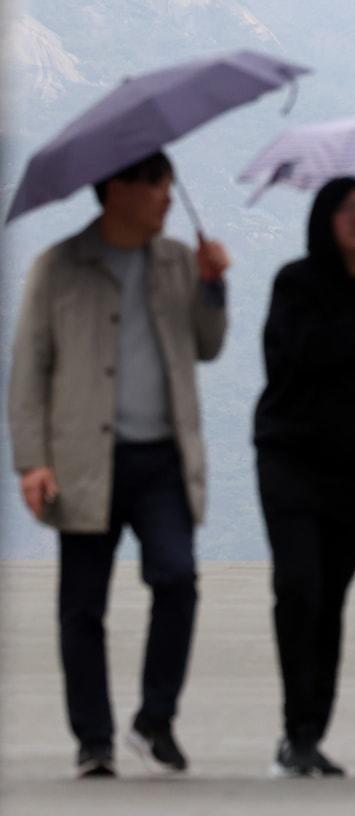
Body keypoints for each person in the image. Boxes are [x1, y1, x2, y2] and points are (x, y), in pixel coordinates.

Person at [7, 151, 230, 777]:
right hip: (84, 459)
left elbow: (208, 346)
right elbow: (28, 371)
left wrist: (213, 287)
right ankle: (93, 740)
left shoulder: (178, 261)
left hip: (163, 459)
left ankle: (154, 720)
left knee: (177, 580)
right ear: (116, 189)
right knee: (82, 605)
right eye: (156, 185)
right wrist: (32, 463)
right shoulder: (59, 267)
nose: (167, 197)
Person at [253, 177, 355, 777]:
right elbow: (299, 358)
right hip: (290, 459)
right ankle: (295, 729)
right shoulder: (296, 283)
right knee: (298, 587)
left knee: (330, 598)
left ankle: (310, 732)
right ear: (325, 218)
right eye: (346, 209)